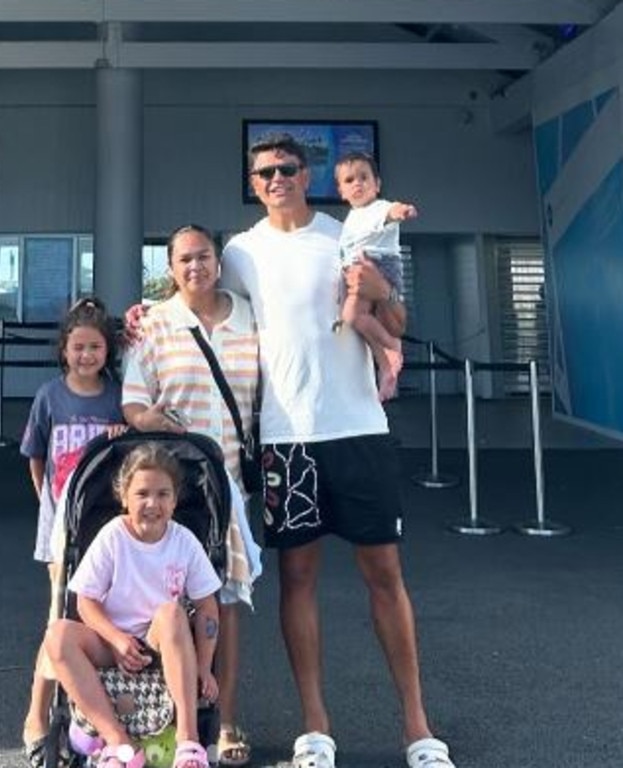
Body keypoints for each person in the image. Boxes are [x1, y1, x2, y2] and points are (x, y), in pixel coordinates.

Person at [220, 133, 455, 768]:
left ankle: (418, 729)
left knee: (385, 575)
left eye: (287, 169)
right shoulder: (240, 252)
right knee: (297, 578)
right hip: (284, 438)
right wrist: (142, 318)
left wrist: (377, 291)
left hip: (358, 429)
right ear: (252, 181)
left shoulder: (345, 232)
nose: (276, 179)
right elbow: (201, 306)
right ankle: (316, 730)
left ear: (308, 174)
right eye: (264, 171)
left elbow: (398, 322)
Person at [121, 223, 262, 767]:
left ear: (218, 261)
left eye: (203, 256)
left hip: (229, 488)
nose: (194, 267)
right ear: (170, 268)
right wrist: (149, 418)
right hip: (172, 489)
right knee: (163, 602)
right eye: (183, 259)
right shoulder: (155, 323)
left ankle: (224, 718)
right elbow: (133, 402)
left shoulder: (251, 316)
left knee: (224, 603)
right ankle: (164, 717)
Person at [44, 443, 220, 768]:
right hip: (113, 643)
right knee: (57, 636)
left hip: (161, 645)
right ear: (124, 497)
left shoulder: (183, 542)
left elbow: (208, 609)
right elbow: (86, 601)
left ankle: (188, 742)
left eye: (162, 494)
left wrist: (205, 666)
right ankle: (119, 743)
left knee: (170, 613)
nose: (152, 503)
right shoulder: (113, 537)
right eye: (142, 494)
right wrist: (116, 638)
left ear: (175, 499)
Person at [20, 297, 127, 768]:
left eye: (96, 347)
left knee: (98, 618)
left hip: (103, 528)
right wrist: (50, 503)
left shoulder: (117, 395)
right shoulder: (49, 396)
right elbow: (35, 457)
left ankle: (87, 717)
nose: (86, 355)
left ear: (108, 351)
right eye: (78, 347)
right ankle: (38, 715)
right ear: (63, 350)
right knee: (58, 617)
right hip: (61, 529)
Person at [333, 151, 418, 401]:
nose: (357, 183)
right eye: (349, 180)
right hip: (358, 269)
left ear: (377, 184)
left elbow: (391, 211)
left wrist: (402, 210)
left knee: (351, 315)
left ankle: (392, 347)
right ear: (341, 191)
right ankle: (386, 362)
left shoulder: (377, 207)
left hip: (379, 265)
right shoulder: (352, 217)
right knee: (350, 317)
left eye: (364, 177)